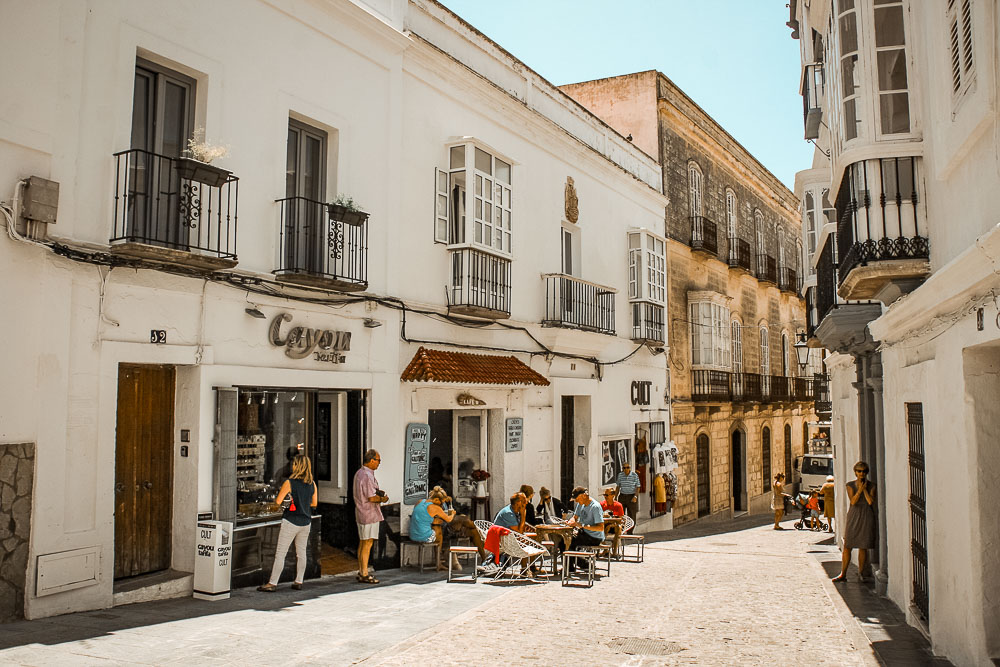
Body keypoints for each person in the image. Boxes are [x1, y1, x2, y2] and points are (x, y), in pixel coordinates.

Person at [257, 454, 317, 592]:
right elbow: (314, 503)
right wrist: (303, 502)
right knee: (301, 553)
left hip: (291, 521)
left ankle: (272, 583)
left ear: (297, 466)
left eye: (295, 464)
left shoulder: (290, 483)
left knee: (280, 553)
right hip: (306, 521)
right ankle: (298, 581)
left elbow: (278, 502)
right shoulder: (312, 483)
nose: (292, 466)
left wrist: (290, 501)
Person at [833, 461, 877, 583]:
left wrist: (864, 490)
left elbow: (870, 502)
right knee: (848, 545)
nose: (861, 473)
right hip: (854, 515)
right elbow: (853, 502)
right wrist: (859, 490)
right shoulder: (850, 485)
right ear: (855, 472)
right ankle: (843, 573)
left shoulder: (872, 486)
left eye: (863, 471)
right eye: (859, 471)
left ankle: (861, 572)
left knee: (863, 546)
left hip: (866, 515)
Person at [353, 449, 387, 584]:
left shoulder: (359, 473)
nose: (379, 463)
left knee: (363, 542)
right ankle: (365, 573)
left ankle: (362, 570)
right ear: (372, 460)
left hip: (361, 512)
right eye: (378, 460)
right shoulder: (367, 476)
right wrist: (383, 499)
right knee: (367, 543)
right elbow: (371, 497)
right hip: (369, 513)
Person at [567, 487, 605, 554]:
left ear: (584, 496)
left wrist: (583, 525)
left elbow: (600, 528)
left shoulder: (595, 507)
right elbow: (575, 517)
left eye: (577, 498)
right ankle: (570, 563)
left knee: (570, 543)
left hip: (594, 537)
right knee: (563, 542)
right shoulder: (580, 504)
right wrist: (571, 521)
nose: (576, 501)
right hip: (584, 533)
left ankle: (586, 564)